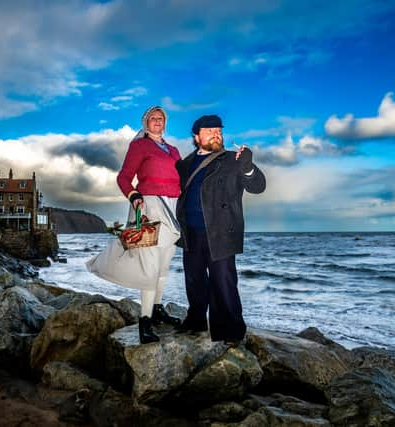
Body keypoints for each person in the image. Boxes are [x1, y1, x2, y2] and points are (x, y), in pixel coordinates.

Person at [86, 105, 182, 344]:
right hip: (150, 206)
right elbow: (124, 177)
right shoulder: (139, 146)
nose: (157, 121)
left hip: (173, 208)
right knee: (149, 266)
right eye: (153, 118)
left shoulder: (174, 150)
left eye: (161, 118)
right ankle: (145, 322)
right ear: (145, 123)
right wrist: (134, 196)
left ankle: (157, 309)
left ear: (165, 123)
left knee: (163, 266)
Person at [175, 114, 266, 346]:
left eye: (219, 131)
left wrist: (247, 166)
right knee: (194, 281)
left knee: (223, 283)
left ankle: (232, 331)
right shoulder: (184, 164)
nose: (216, 134)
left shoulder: (233, 159)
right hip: (191, 232)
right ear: (197, 137)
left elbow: (258, 186)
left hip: (221, 232)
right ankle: (195, 320)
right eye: (209, 131)